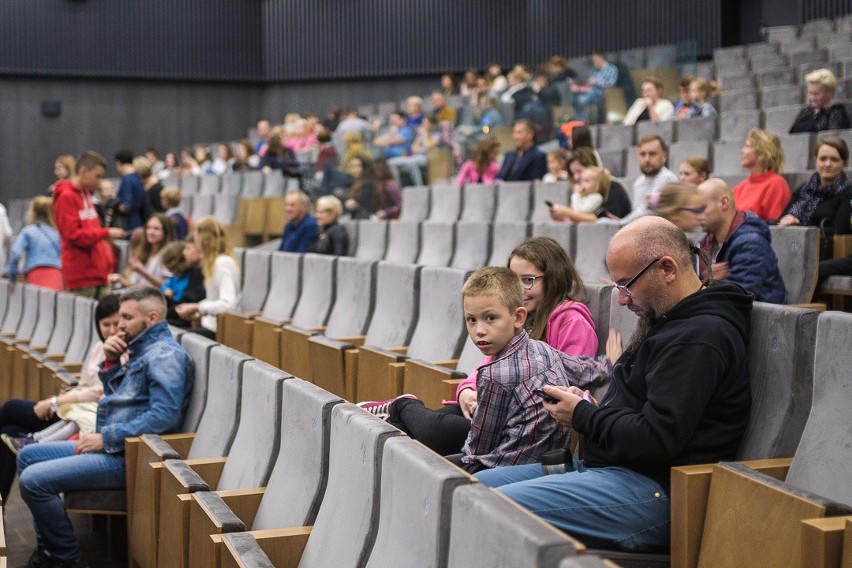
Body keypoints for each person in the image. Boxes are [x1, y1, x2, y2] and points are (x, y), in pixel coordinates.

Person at [475, 216, 753, 553]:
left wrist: (583, 416)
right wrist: (588, 406)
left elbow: (656, 437)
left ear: (666, 269)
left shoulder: (700, 337)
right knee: (465, 488)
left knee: (485, 508)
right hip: (612, 469)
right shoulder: (669, 321)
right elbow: (639, 411)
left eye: (625, 285)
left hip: (654, 490)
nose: (620, 300)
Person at [361, 237, 599, 458]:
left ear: (554, 277)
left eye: (528, 280)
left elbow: (569, 383)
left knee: (435, 432)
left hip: (523, 428)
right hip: (496, 413)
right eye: (513, 280)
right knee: (407, 433)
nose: (519, 289)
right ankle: (396, 416)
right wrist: (467, 392)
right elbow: (486, 367)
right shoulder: (522, 320)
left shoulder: (571, 320)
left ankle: (402, 405)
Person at [17, 287, 192, 568]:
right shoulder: (141, 349)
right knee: (27, 456)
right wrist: (110, 363)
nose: (119, 325)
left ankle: (64, 558)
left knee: (33, 481)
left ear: (152, 318)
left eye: (126, 317)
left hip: (130, 457)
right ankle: (49, 550)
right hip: (114, 446)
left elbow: (164, 416)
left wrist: (106, 438)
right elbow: (122, 401)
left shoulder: (164, 356)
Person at [0, 295, 123, 463]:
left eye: (116, 324)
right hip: (73, 409)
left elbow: (98, 391)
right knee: (10, 430)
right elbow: (84, 384)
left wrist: (54, 402)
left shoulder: (125, 354)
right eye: (106, 325)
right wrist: (65, 397)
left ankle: (35, 442)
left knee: (10, 407)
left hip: (85, 418)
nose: (112, 330)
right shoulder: (98, 348)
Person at [697, 178, 786, 303]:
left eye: (701, 208)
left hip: (758, 319)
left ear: (724, 203)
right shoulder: (705, 243)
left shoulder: (751, 243)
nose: (696, 215)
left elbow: (737, 298)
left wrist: (710, 284)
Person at [53, 151, 126, 298]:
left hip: (98, 273)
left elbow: (90, 231)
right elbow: (73, 235)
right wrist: (106, 232)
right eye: (97, 176)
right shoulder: (66, 196)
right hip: (81, 277)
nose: (99, 181)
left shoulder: (85, 193)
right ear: (83, 171)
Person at [778, 136, 852, 258]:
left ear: (844, 163)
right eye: (823, 159)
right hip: (794, 249)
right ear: (815, 161)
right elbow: (780, 220)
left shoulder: (848, 193)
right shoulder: (804, 189)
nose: (827, 164)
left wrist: (799, 226)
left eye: (834, 159)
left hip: (824, 253)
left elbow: (840, 231)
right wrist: (788, 218)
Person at [174, 217, 241, 337]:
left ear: (203, 238)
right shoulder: (214, 263)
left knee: (174, 337)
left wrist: (198, 307)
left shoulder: (222, 263)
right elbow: (214, 300)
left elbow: (228, 304)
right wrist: (197, 309)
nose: (195, 239)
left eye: (196, 234)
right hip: (209, 324)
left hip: (218, 329)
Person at [550, 150, 631, 222]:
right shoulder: (584, 191)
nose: (576, 177)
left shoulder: (613, 186)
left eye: (579, 171)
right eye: (572, 174)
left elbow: (605, 220)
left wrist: (569, 213)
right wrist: (562, 215)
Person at [732, 128, 791, 223]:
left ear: (762, 152)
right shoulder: (739, 188)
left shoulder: (776, 183)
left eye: (747, 146)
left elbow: (773, 226)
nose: (742, 150)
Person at [5, 196, 63, 291]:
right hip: (57, 274)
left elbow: (15, 253)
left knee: (37, 305)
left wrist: (12, 277)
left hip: (36, 273)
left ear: (33, 213)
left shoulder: (28, 232)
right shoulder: (57, 234)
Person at [621, 135, 679, 223]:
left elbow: (649, 212)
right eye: (643, 154)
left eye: (652, 154)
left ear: (664, 156)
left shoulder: (667, 178)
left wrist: (621, 223)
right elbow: (638, 212)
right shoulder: (638, 182)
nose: (647, 159)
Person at [108, 213, 175, 289]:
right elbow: (138, 286)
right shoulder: (142, 251)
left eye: (156, 229)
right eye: (148, 228)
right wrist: (120, 279)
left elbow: (167, 286)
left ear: (166, 232)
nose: (151, 232)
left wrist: (142, 271)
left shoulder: (169, 253)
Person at [159, 241, 206, 328]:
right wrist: (165, 290)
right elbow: (165, 286)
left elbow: (185, 303)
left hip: (183, 316)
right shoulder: (175, 277)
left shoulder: (194, 274)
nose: (173, 272)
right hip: (174, 310)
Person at [789, 68, 850, 134]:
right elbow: (792, 134)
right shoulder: (805, 112)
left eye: (816, 94)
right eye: (810, 93)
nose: (812, 98)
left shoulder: (836, 112)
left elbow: (833, 139)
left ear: (829, 93)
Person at [388, 115, 442, 187]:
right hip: (416, 157)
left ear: (432, 125)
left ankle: (419, 187)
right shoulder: (420, 135)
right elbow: (413, 148)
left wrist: (425, 135)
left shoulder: (437, 135)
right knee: (391, 163)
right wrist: (423, 148)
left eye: (426, 123)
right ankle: (399, 188)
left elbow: (429, 146)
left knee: (412, 163)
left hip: (428, 158)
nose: (424, 125)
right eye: (423, 123)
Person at [570, 51, 618, 124]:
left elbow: (611, 84)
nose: (593, 62)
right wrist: (579, 88)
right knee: (576, 97)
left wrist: (597, 81)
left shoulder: (611, 69)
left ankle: (580, 122)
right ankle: (578, 121)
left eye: (594, 60)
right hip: (591, 93)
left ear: (600, 58)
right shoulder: (595, 71)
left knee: (581, 99)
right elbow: (589, 87)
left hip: (603, 94)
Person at [114, 148, 147, 231]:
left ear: (118, 163)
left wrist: (113, 204)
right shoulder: (138, 178)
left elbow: (126, 206)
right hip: (139, 220)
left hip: (129, 223)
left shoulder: (127, 180)